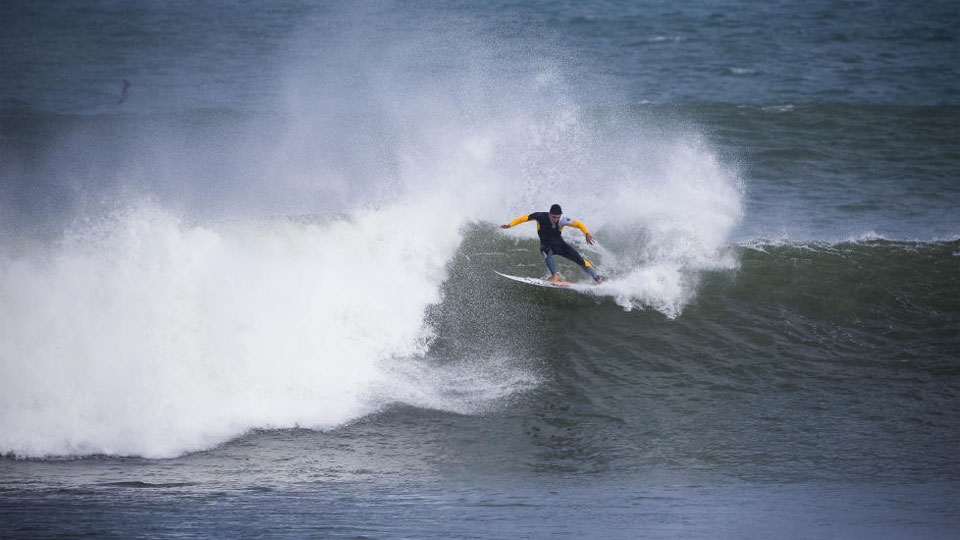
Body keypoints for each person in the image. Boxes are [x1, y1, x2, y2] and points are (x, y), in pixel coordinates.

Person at [500, 203, 603, 284]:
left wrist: (586, 233)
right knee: (544, 249)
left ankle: (598, 280)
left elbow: (579, 224)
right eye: (554, 217)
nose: (556, 219)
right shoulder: (539, 216)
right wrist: (510, 225)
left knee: (581, 261)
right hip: (547, 246)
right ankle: (555, 276)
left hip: (561, 246)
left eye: (558, 217)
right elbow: (522, 218)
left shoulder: (562, 220)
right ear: (549, 214)